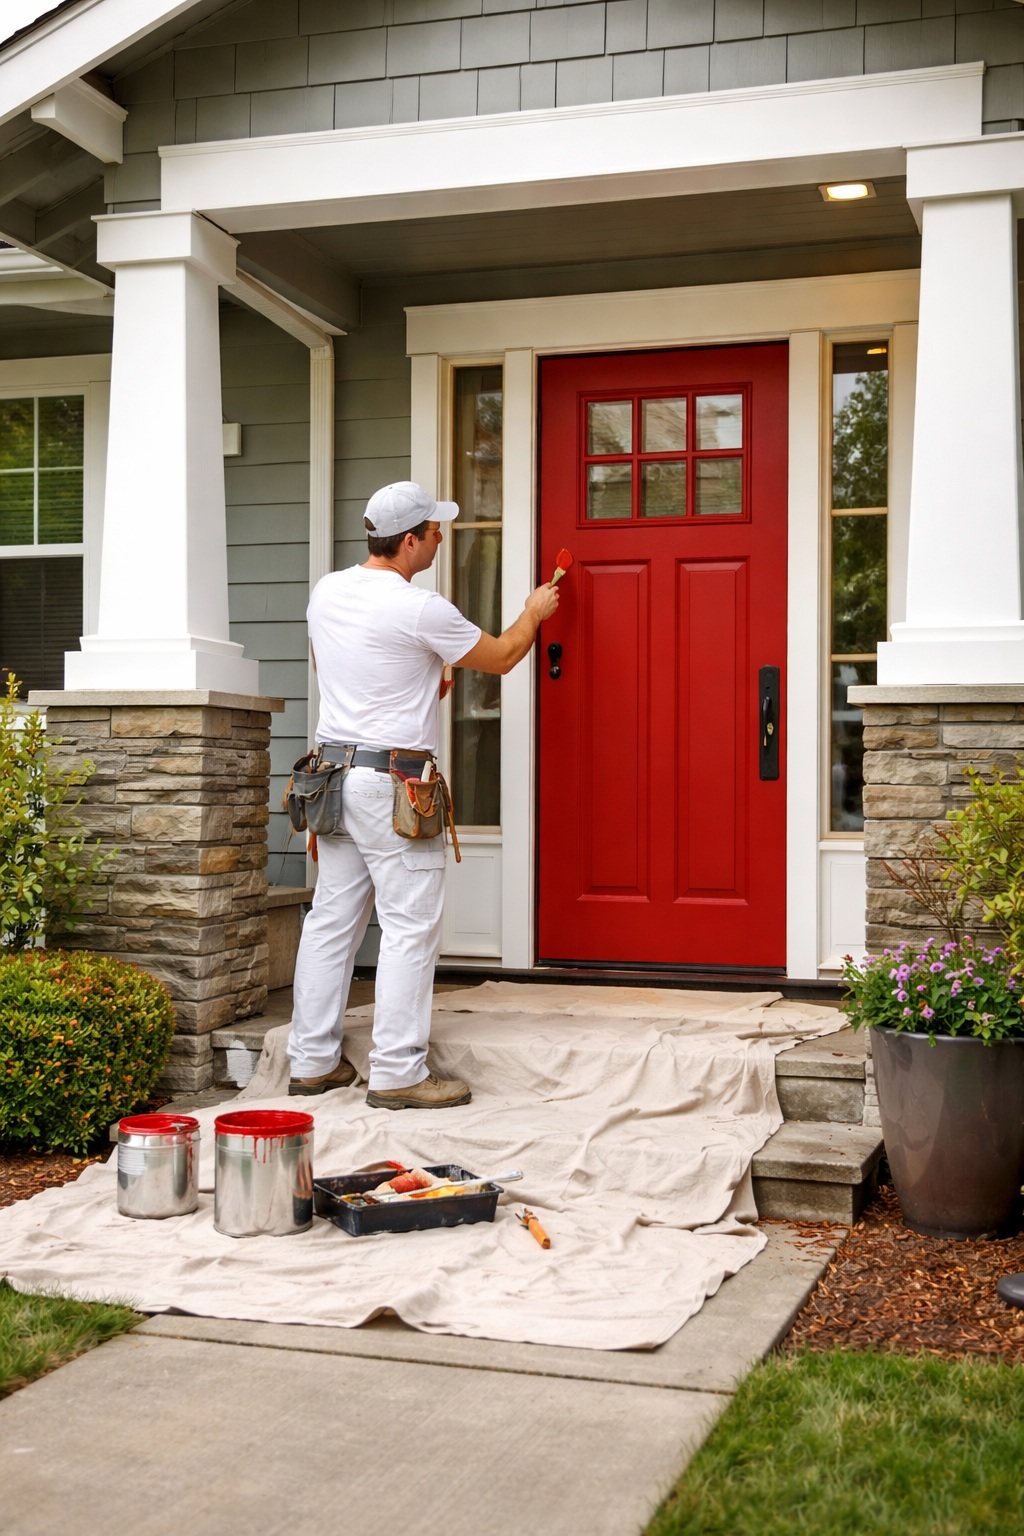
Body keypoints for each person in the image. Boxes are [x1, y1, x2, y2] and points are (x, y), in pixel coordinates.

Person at [286, 481, 559, 1108]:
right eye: (434, 529)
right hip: (392, 786)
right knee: (409, 926)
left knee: (331, 922)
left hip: (330, 779)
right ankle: (399, 1073)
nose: (441, 536)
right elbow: (502, 656)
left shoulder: (328, 591)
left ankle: (312, 1062)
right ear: (409, 541)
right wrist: (535, 612)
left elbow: (333, 662)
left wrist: (417, 678)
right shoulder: (420, 607)